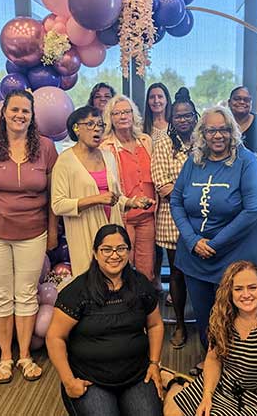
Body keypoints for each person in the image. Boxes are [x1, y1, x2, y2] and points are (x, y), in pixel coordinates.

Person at [0, 90, 58, 384]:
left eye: (26, 111)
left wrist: (52, 232)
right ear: (4, 112)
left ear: (32, 117)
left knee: (27, 295)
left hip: (33, 231)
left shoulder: (45, 147)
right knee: (2, 296)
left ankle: (25, 357)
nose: (20, 115)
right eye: (15, 109)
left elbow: (52, 195)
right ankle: (6, 357)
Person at [170, 105, 257, 357]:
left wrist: (215, 243)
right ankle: (211, 361)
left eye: (223, 130)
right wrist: (193, 241)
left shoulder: (246, 161)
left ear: (232, 131)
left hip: (234, 257)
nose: (217, 136)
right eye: (211, 130)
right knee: (205, 316)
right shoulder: (194, 161)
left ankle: (238, 369)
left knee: (236, 317)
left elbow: (256, 208)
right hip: (195, 256)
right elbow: (176, 201)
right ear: (202, 133)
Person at [46, 224, 165, 416]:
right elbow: (54, 337)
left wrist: (154, 364)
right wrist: (69, 381)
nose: (114, 255)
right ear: (95, 252)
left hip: (136, 375)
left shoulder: (141, 284)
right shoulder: (77, 291)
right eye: (106, 249)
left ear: (128, 251)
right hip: (90, 379)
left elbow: (155, 325)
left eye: (121, 249)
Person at [163, 261, 257, 416]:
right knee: (171, 412)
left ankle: (180, 383)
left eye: (252, 287)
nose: (246, 295)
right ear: (230, 292)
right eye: (238, 289)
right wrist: (207, 396)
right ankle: (175, 383)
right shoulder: (222, 317)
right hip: (222, 384)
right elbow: (213, 359)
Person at [52, 106, 154, 278]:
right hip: (85, 232)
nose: (97, 129)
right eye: (90, 124)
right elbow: (58, 205)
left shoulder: (108, 156)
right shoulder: (65, 160)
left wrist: (132, 202)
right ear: (76, 129)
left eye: (100, 124)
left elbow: (114, 197)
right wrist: (96, 199)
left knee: (116, 282)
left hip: (111, 232)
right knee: (90, 283)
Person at [150, 87, 198, 349]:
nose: (183, 120)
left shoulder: (205, 144)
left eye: (187, 115)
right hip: (172, 222)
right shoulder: (163, 145)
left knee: (202, 276)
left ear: (194, 116)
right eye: (178, 116)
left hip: (203, 222)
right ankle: (179, 324)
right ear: (172, 117)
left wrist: (181, 190)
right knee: (177, 275)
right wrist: (195, 191)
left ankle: (206, 325)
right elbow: (163, 187)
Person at [101, 95, 157, 284]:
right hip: (123, 216)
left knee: (146, 268)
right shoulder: (106, 146)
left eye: (126, 112)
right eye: (117, 113)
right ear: (110, 118)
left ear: (133, 115)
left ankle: (145, 308)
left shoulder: (145, 141)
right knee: (123, 266)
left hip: (148, 216)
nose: (123, 116)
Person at [228, 86, 257, 182]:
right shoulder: (223, 125)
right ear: (229, 102)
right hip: (230, 181)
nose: (242, 102)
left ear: (251, 103)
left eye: (246, 100)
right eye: (237, 99)